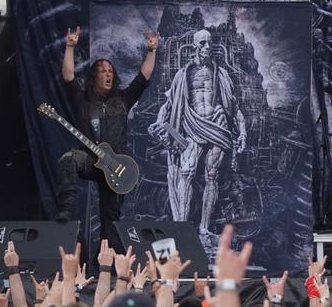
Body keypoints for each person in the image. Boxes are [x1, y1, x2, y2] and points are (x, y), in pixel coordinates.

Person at [56, 27, 158, 248]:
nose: (108, 73)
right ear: (94, 77)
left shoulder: (122, 99)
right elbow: (68, 77)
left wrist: (151, 51)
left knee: (110, 219)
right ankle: (65, 207)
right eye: (103, 71)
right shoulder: (83, 100)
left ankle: (105, 260)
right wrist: (70, 47)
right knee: (69, 158)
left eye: (110, 70)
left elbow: (143, 77)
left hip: (115, 165)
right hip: (91, 160)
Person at [150, 29, 247, 242]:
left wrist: (242, 131)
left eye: (209, 43)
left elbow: (233, 105)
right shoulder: (183, 74)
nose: (206, 47)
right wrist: (159, 122)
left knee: (211, 176)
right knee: (186, 172)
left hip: (217, 125)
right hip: (191, 124)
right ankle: (182, 227)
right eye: (202, 43)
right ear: (195, 46)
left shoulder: (221, 73)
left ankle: (204, 228)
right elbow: (169, 104)